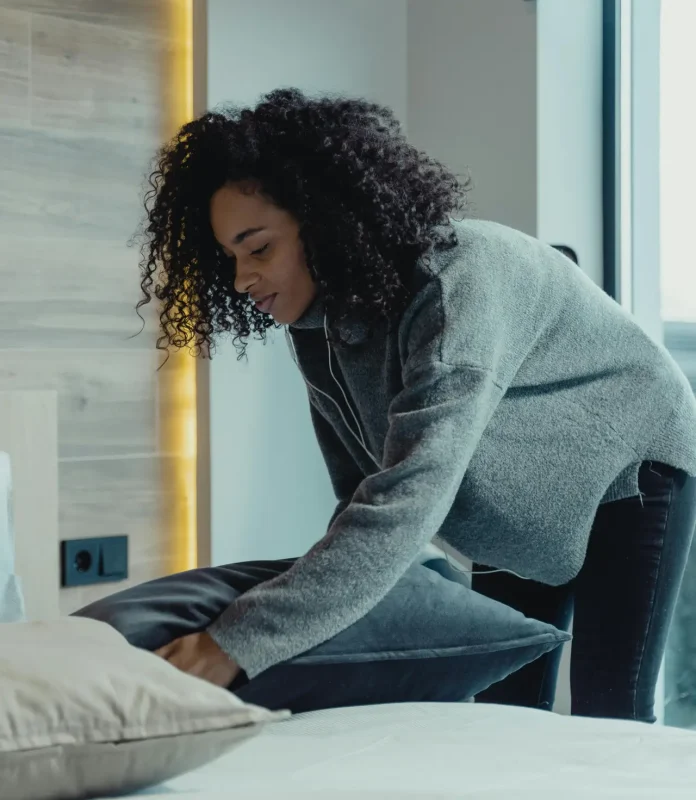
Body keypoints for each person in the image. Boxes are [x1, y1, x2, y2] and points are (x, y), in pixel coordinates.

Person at [137, 88, 696, 722]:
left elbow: (405, 500)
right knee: (502, 715)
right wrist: (299, 626)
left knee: (610, 712)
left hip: (631, 459)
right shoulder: (318, 326)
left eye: (258, 247)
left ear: (324, 222)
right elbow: (361, 494)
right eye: (231, 257)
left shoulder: (455, 285)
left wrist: (234, 642)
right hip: (514, 493)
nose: (241, 278)